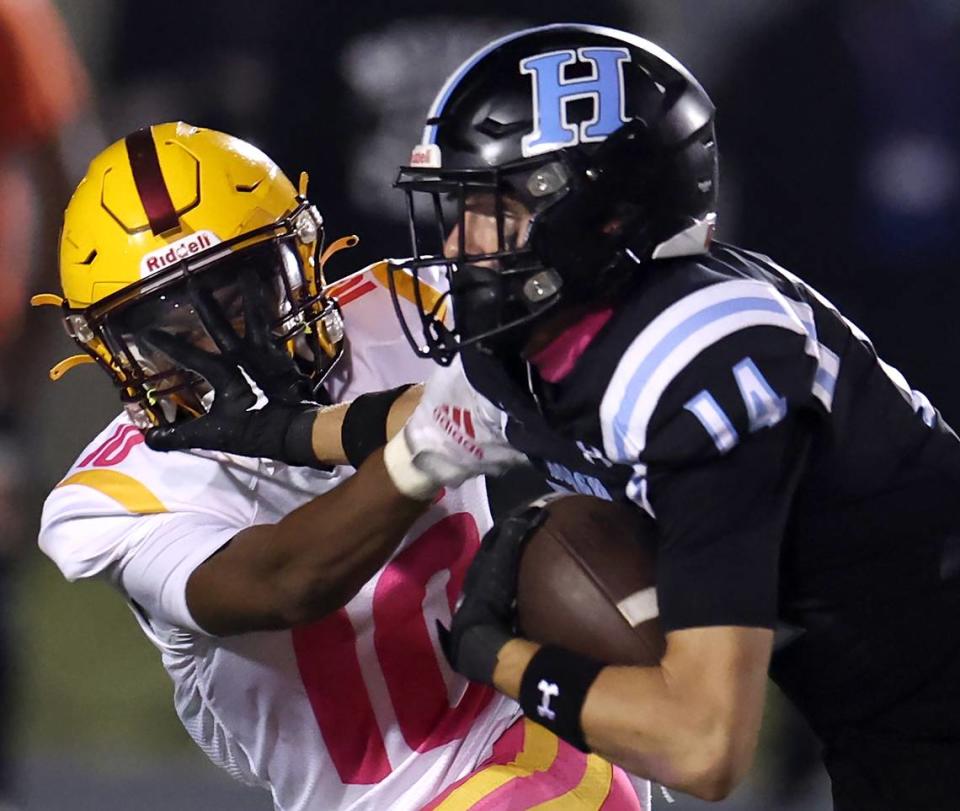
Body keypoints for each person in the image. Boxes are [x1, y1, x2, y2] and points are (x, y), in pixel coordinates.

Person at [373, 23, 960, 810]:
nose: (456, 242)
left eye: (491, 208)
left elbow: (704, 745)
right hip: (892, 712)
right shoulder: (539, 352)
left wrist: (497, 654)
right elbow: (415, 424)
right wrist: (255, 432)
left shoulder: (697, 368)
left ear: (599, 213)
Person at [35, 122, 646, 811]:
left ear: (302, 255)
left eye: (242, 299)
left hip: (522, 745)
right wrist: (429, 442)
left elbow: (616, 337)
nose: (224, 345)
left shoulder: (409, 308)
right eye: (172, 332)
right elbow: (283, 583)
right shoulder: (108, 496)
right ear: (110, 349)